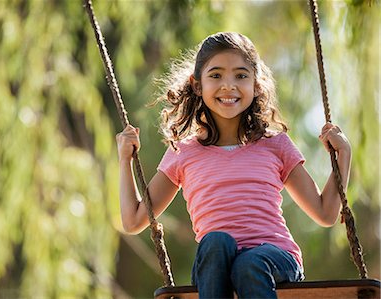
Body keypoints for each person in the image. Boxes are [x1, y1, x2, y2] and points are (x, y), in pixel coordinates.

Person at [116, 32, 351, 298]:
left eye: (240, 75)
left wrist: (344, 155)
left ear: (256, 85)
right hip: (216, 268)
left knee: (249, 264)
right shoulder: (183, 153)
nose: (228, 85)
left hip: (275, 258)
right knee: (216, 241)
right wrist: (125, 160)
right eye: (216, 75)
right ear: (197, 85)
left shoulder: (275, 145)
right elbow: (134, 219)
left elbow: (324, 212)